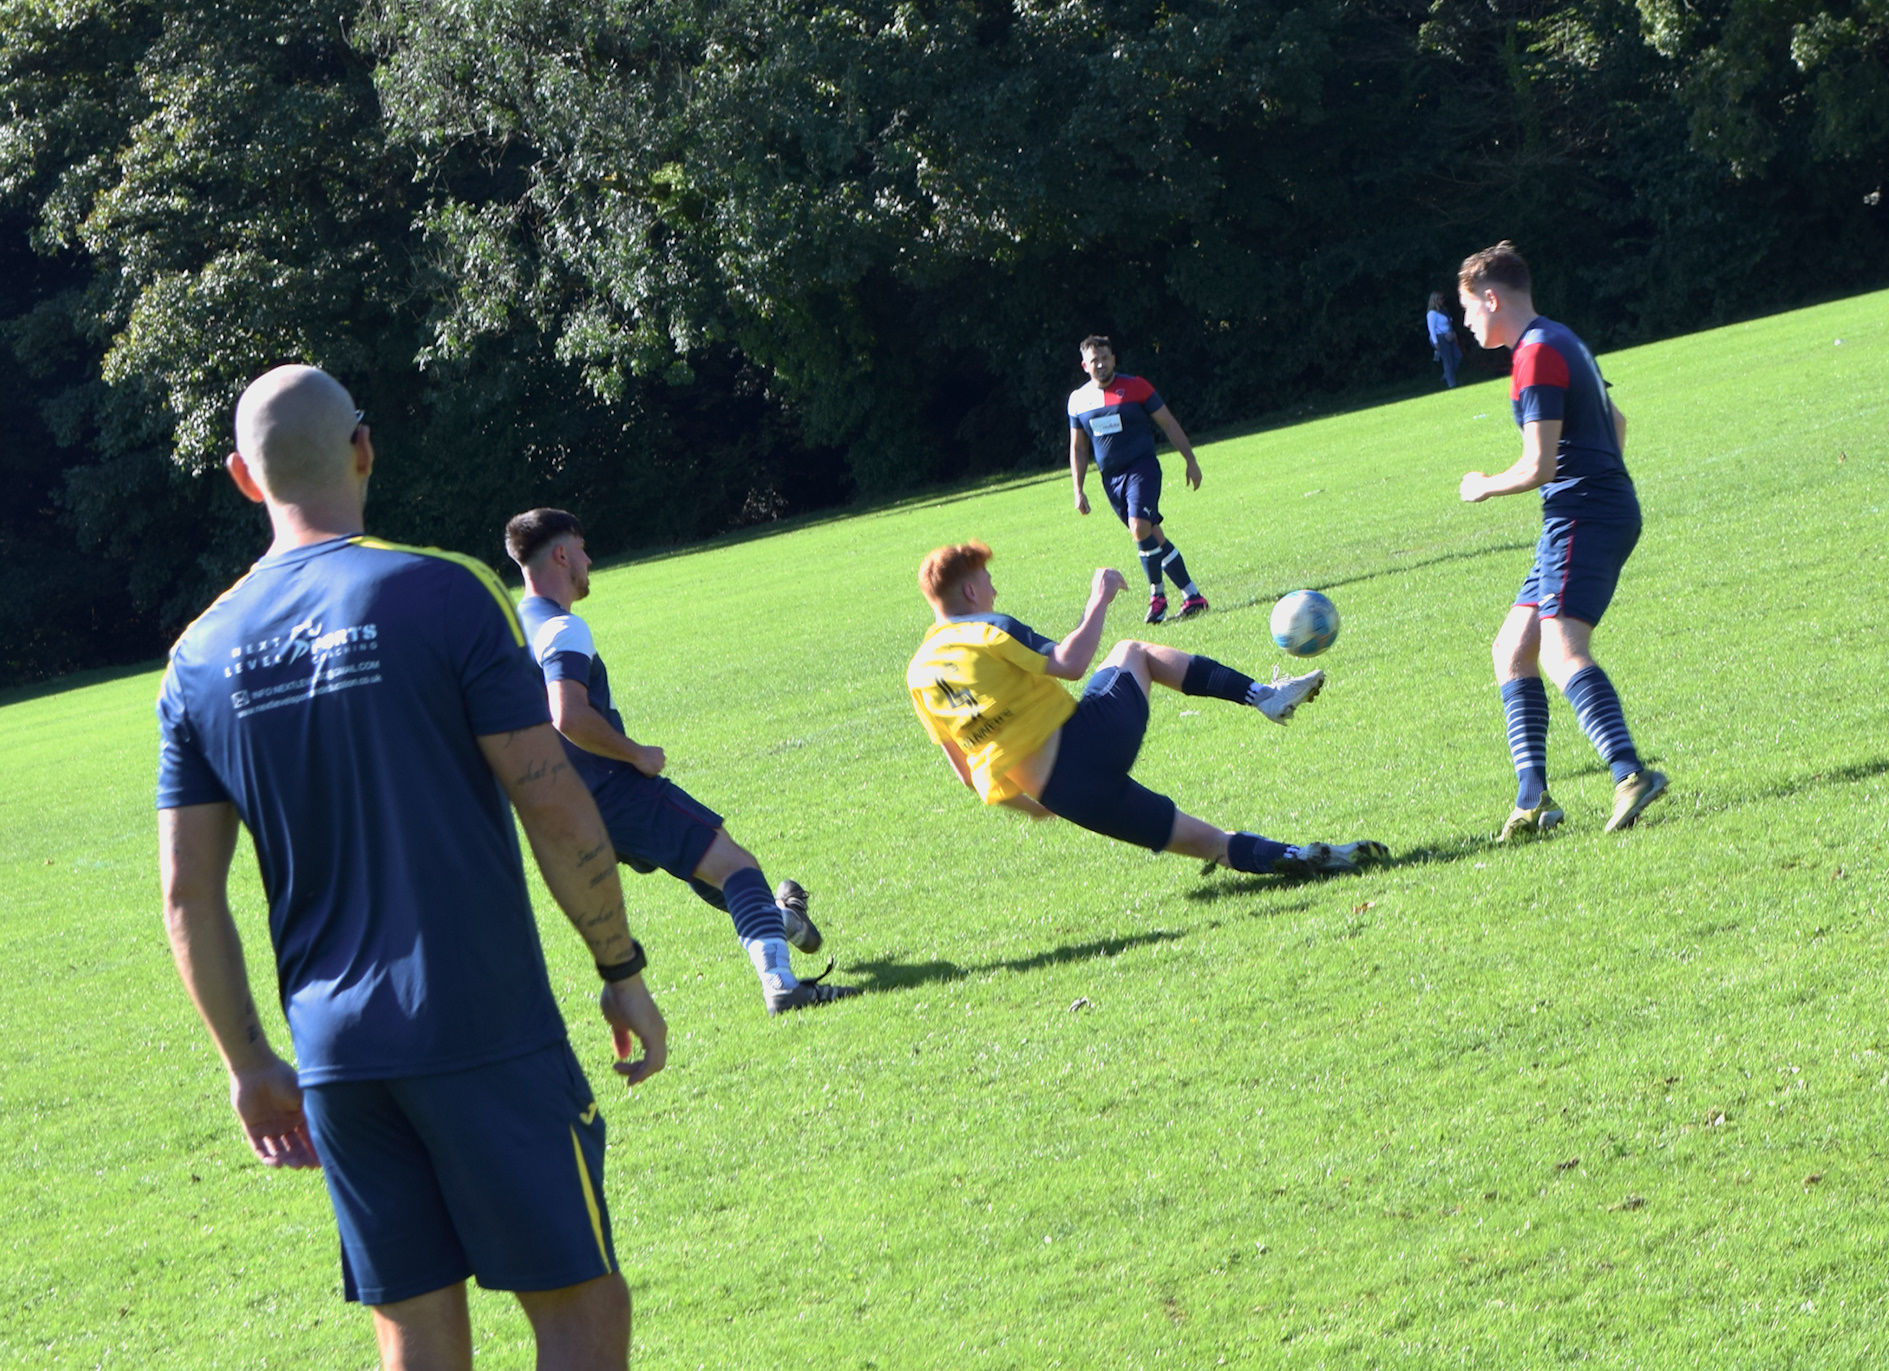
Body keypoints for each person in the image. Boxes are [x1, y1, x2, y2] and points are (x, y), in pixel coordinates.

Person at [158, 366, 666, 1370]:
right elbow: (556, 808)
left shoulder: (197, 655)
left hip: (336, 1057)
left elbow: (188, 895)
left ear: (241, 480)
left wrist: (249, 1063)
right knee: (578, 1307)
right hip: (478, 1021)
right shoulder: (440, 589)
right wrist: (620, 967)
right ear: (365, 447)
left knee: (416, 1337)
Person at [507, 508, 853, 1016]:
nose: (588, 558)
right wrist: (637, 755)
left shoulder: (506, 633)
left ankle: (786, 921)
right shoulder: (562, 628)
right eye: (581, 548)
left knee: (712, 872)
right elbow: (569, 716)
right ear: (561, 554)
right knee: (736, 867)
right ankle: (780, 983)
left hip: (558, 815)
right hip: (613, 792)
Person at [907, 542, 1386, 876]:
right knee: (1133, 651)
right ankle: (1265, 696)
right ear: (969, 594)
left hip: (1065, 796)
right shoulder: (985, 628)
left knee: (1211, 844)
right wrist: (1099, 598)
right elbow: (1070, 664)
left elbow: (968, 775)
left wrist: (1035, 809)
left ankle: (1307, 856)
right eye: (988, 582)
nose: (994, 591)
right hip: (1087, 743)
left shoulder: (918, 674)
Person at [1454, 242, 1668, 839]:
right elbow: (1617, 422)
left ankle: (1630, 773)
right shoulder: (1558, 337)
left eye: (1470, 309)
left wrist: (1484, 487)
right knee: (1511, 650)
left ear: (1493, 298)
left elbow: (1540, 465)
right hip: (1583, 512)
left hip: (1582, 515)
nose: (1467, 323)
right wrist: (1599, 477)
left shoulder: (1536, 355)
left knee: (1560, 650)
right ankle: (1534, 799)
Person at [1068, 336, 1210, 624]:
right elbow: (1079, 448)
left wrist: (1190, 460)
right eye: (1095, 360)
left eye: (1106, 357)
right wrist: (1078, 490)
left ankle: (1157, 597)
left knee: (1139, 527)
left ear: (1113, 359)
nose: (1101, 364)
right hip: (1111, 480)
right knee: (1151, 535)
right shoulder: (1078, 400)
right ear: (1085, 365)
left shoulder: (1136, 387)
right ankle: (1193, 596)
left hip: (1142, 468)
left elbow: (1168, 422)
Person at [1428, 293, 1464, 387]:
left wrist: (1453, 334)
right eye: (1440, 299)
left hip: (1449, 335)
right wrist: (1436, 342)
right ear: (1435, 300)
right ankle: (1451, 383)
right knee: (1447, 360)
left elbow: (1449, 323)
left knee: (1458, 356)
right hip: (1440, 337)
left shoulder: (1444, 311)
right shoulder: (1432, 313)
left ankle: (1446, 375)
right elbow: (1431, 329)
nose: (1442, 300)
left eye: (1442, 298)